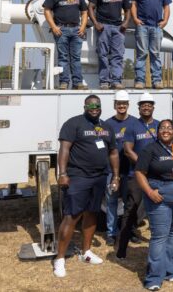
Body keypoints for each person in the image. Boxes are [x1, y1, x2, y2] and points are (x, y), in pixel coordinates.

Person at [53, 95, 119, 278]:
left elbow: (113, 153)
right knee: (72, 216)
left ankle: (86, 252)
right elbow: (64, 149)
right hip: (78, 177)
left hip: (99, 177)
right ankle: (59, 259)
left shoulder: (106, 127)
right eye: (91, 105)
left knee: (92, 213)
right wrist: (62, 174)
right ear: (84, 106)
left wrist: (115, 176)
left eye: (97, 105)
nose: (94, 107)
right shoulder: (73, 123)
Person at [135, 119, 173, 291]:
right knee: (160, 236)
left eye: (169, 128)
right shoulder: (150, 149)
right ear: (157, 131)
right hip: (160, 196)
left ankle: (171, 270)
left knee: (172, 233)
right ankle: (154, 278)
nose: (166, 130)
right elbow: (139, 172)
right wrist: (149, 192)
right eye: (162, 128)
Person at [116, 92, 159, 259]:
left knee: (158, 208)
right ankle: (121, 247)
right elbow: (127, 150)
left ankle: (156, 246)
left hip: (156, 175)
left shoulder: (159, 125)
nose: (146, 106)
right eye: (143, 104)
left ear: (153, 107)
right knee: (131, 208)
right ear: (139, 108)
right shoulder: (133, 126)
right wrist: (144, 166)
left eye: (149, 104)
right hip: (137, 174)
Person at [43, 0, 88, 90]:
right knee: (63, 57)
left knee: (76, 58)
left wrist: (82, 27)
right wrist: (53, 26)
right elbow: (47, 10)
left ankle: (78, 83)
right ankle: (64, 82)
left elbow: (84, 12)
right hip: (61, 30)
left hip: (76, 30)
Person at [88, 0, 131, 90]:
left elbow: (127, 9)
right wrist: (95, 22)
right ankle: (104, 81)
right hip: (103, 27)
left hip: (118, 28)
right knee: (102, 54)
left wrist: (126, 22)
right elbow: (90, 7)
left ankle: (116, 81)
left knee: (118, 54)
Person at [130, 0, 172, 89]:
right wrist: (136, 20)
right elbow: (133, 5)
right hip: (142, 26)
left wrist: (165, 21)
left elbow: (166, 6)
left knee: (155, 54)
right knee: (141, 54)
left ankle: (157, 80)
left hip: (156, 26)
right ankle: (140, 81)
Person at [104, 90, 138, 245]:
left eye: (124, 103)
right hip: (112, 171)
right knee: (111, 201)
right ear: (114, 105)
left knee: (129, 203)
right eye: (119, 103)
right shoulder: (107, 124)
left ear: (128, 105)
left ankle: (129, 230)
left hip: (130, 171)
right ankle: (111, 232)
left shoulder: (135, 123)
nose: (121, 106)